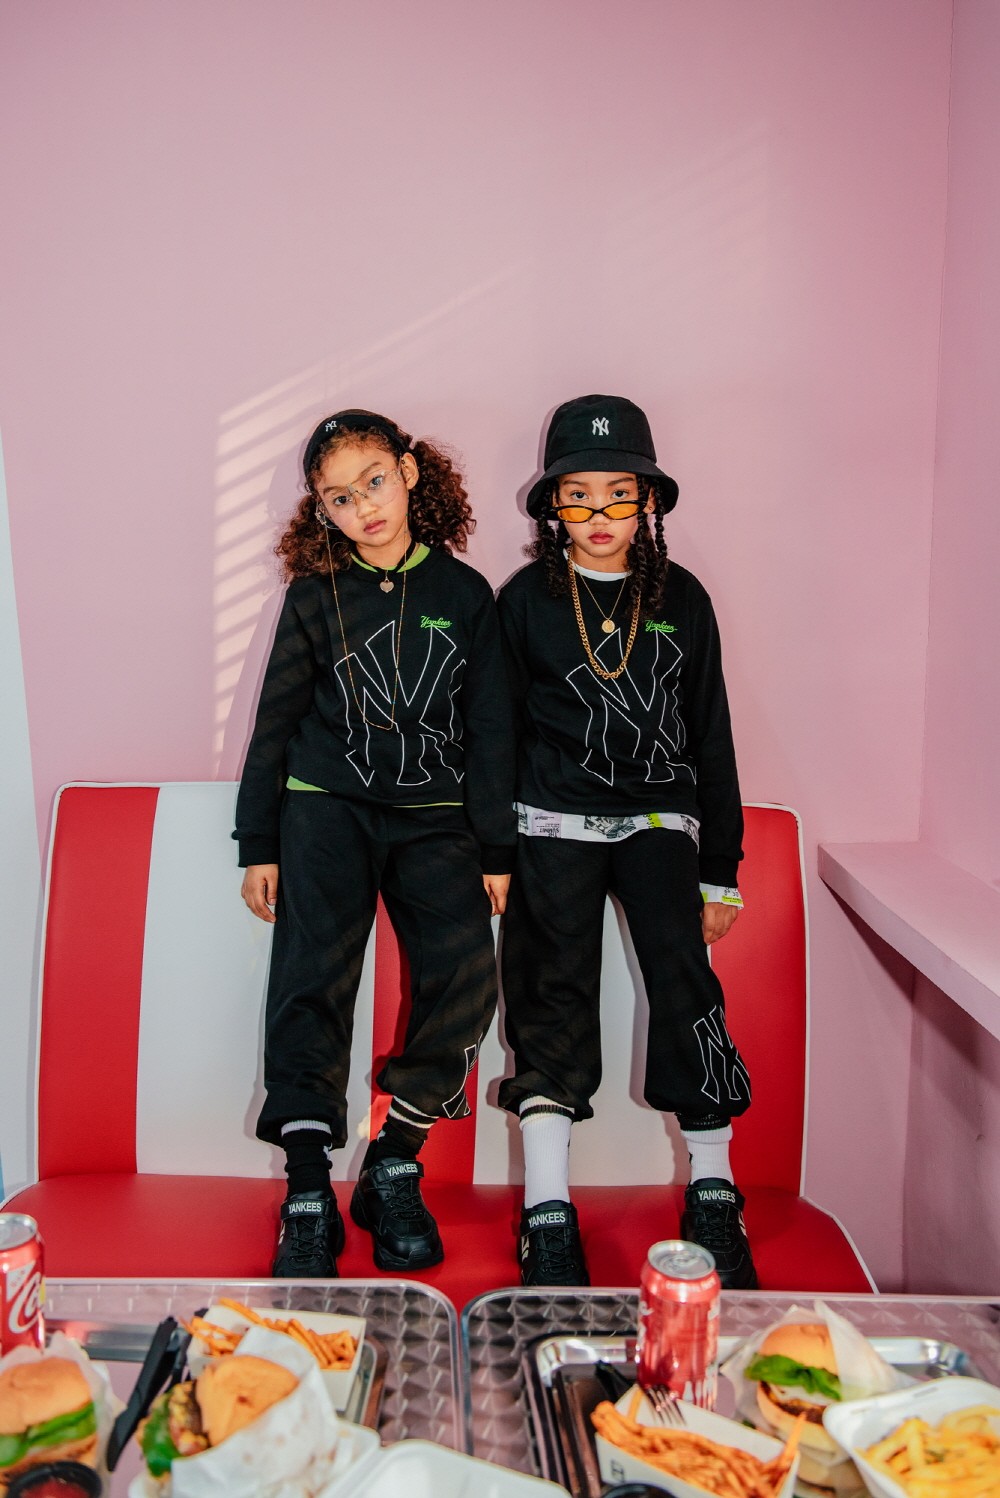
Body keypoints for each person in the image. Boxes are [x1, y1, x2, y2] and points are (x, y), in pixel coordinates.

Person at [235, 408, 515, 1277]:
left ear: (410, 472)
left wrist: (497, 849)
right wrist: (258, 840)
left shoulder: (466, 595)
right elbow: (275, 722)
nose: (363, 507)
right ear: (321, 511)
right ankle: (308, 1187)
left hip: (437, 817)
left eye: (375, 482)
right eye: (339, 498)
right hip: (327, 810)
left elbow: (491, 730)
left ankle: (394, 1162)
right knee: (311, 978)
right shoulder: (312, 596)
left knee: (465, 974)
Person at [497, 394, 757, 1289]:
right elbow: (497, 732)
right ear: (552, 506)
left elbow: (712, 733)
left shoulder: (683, 597)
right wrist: (495, 851)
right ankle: (547, 1209)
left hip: (658, 819)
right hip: (551, 821)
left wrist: (720, 871)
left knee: (684, 978)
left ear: (648, 501)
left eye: (620, 493)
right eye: (579, 495)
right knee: (550, 989)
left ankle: (714, 1188)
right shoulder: (525, 601)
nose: (600, 514)